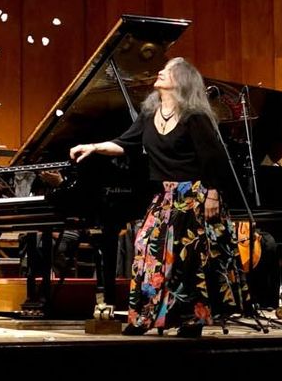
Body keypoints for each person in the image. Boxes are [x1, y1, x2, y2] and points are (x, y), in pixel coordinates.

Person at [69, 56, 234, 338]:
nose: (160, 72)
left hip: (194, 196)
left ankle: (190, 319)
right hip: (165, 197)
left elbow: (214, 159)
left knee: (187, 263)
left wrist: (213, 195)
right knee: (146, 251)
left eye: (168, 71)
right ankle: (144, 317)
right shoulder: (149, 115)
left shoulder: (195, 117)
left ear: (181, 80)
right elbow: (124, 144)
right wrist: (94, 147)